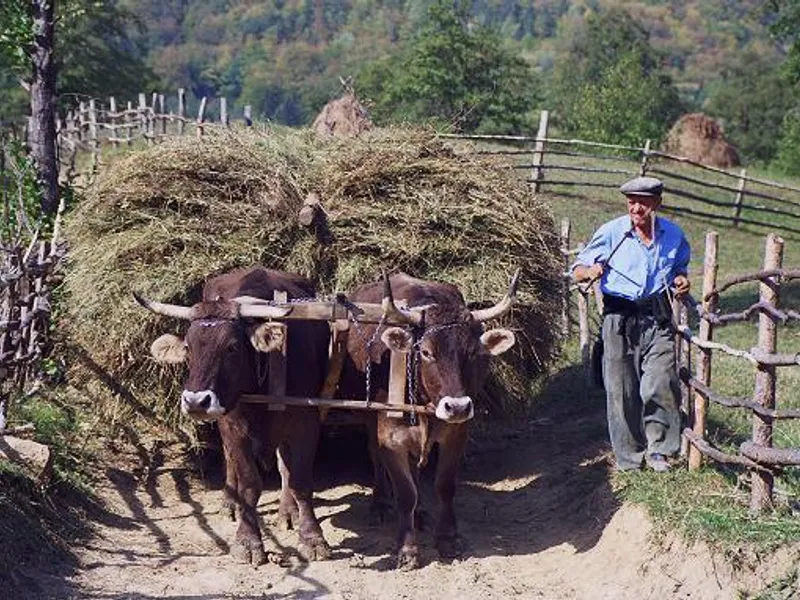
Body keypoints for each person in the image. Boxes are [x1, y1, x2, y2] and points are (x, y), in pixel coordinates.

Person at [572, 176, 691, 472]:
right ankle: (629, 458)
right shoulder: (613, 232)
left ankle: (660, 451)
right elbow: (577, 270)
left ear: (657, 203)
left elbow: (679, 269)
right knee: (621, 390)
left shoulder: (673, 236)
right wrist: (590, 271)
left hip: (657, 316)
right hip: (619, 319)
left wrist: (681, 281)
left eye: (643, 202)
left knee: (660, 381)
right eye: (631, 202)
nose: (636, 208)